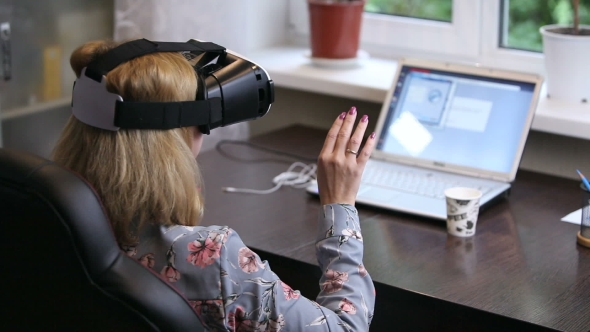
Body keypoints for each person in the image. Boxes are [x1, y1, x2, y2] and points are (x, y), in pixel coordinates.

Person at [52, 39, 376, 331]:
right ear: (171, 141)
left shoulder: (46, 212)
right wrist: (340, 205)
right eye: (199, 125)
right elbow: (347, 328)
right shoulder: (210, 257)